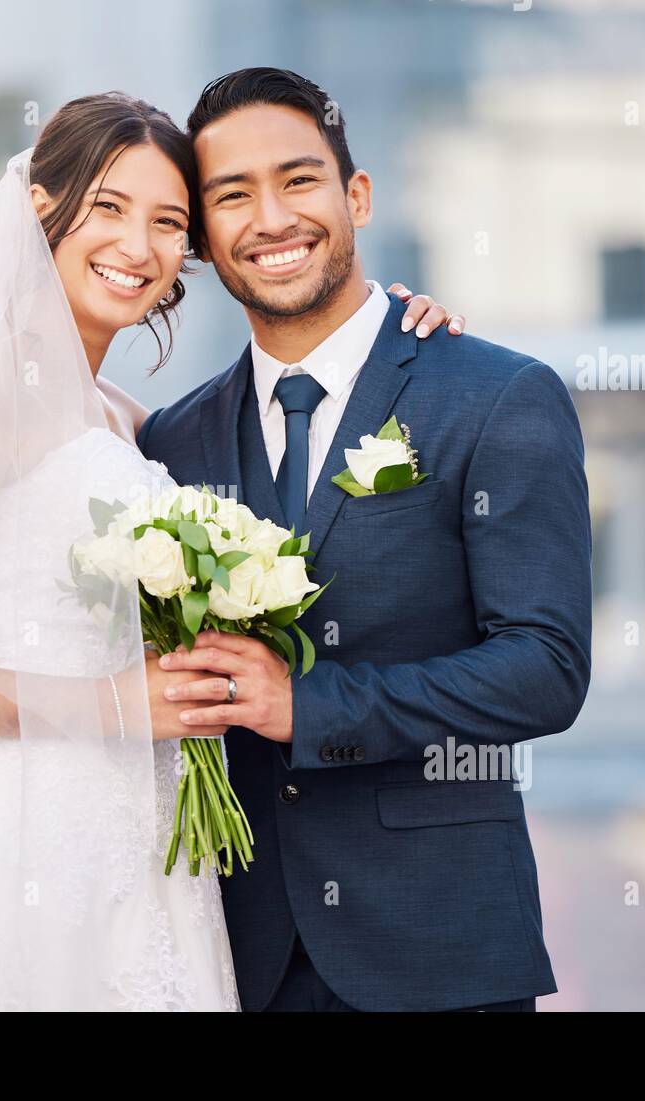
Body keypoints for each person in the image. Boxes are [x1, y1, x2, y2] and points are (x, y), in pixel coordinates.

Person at [0, 89, 460, 1011]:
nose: (138, 246)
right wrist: (108, 706)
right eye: (109, 208)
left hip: (138, 844)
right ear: (42, 209)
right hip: (8, 834)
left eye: (168, 223)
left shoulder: (129, 421)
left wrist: (391, 330)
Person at [137, 68, 592, 1012]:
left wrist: (313, 704)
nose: (271, 217)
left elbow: (545, 666)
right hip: (229, 955)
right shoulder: (167, 443)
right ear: (203, 239)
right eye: (231, 195)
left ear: (357, 196)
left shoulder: (494, 397)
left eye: (299, 180)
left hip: (439, 947)